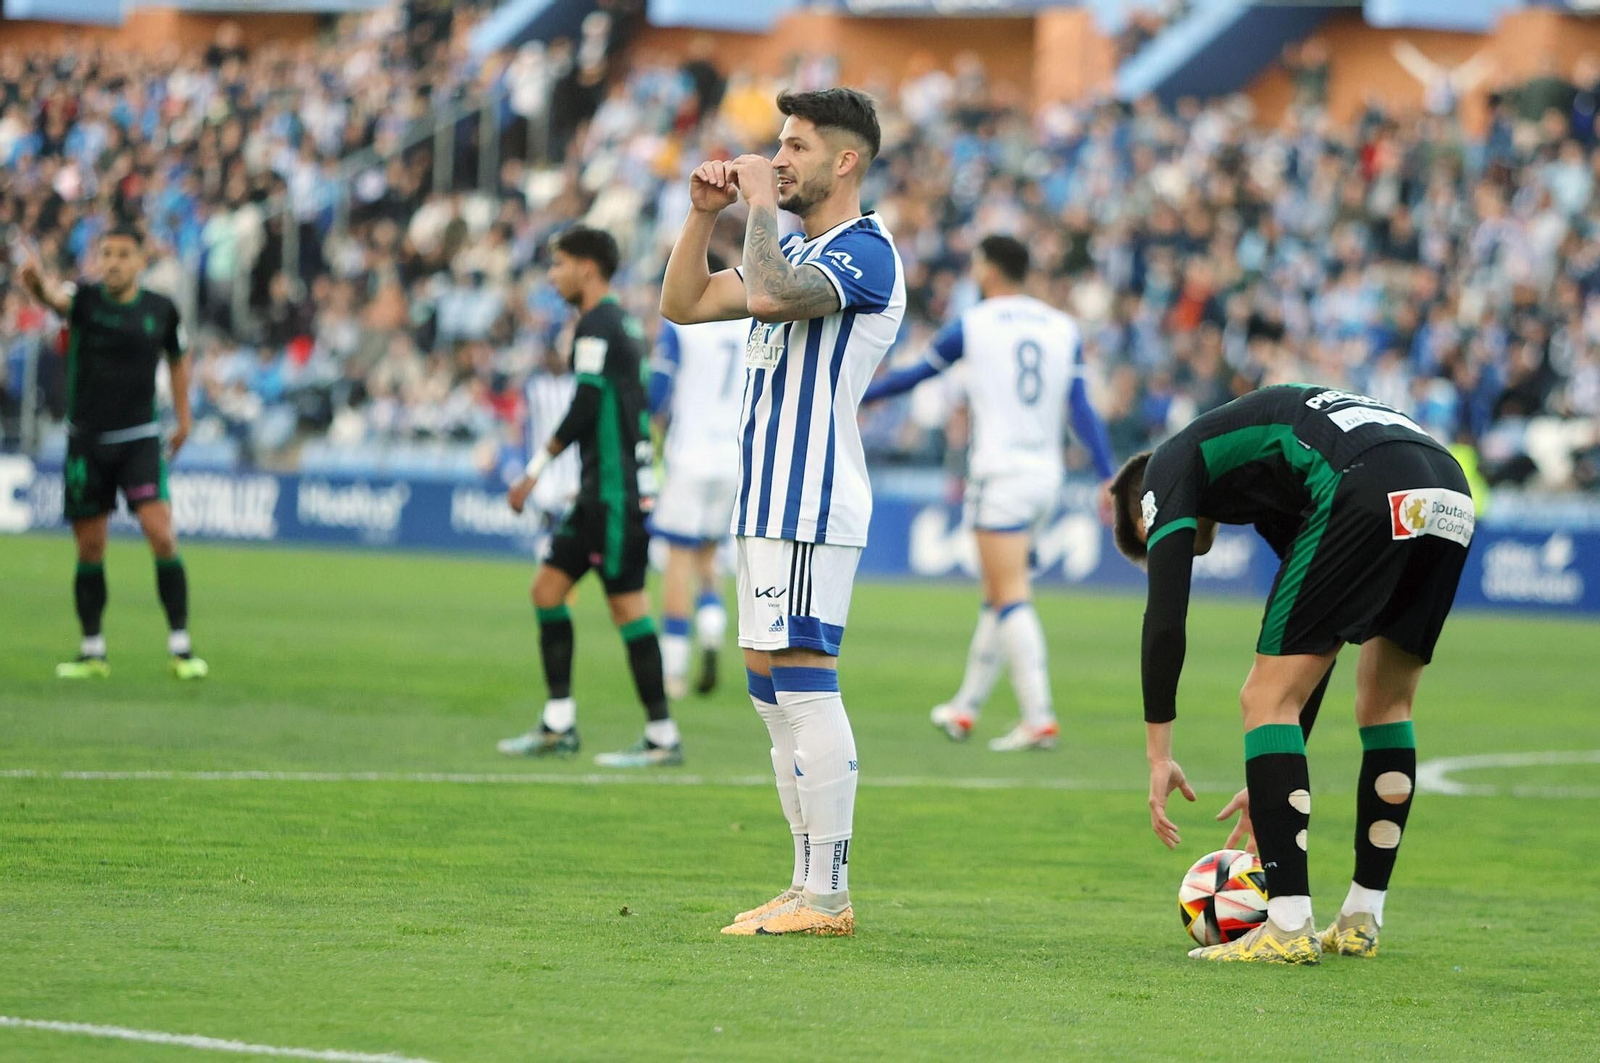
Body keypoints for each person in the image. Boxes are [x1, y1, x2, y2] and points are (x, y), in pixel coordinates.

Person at [1110, 384, 1476, 964]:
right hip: (1447, 489)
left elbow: (1164, 618)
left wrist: (1160, 755)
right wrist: (1271, 771)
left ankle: (1285, 926)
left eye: (1149, 538)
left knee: (1261, 697)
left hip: (1368, 477)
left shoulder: (1168, 464)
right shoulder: (1264, 489)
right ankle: (1361, 916)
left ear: (1142, 509)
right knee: (1386, 706)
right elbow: (1315, 644)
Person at [661, 88, 904, 937]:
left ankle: (831, 893)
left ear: (845, 162)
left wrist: (759, 200)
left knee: (805, 684)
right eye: (778, 143)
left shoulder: (865, 252)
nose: (780, 156)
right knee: (771, 696)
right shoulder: (795, 244)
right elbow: (684, 305)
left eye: (796, 145)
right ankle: (804, 885)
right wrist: (701, 219)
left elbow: (769, 294)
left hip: (811, 498)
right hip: (763, 501)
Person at [861, 234, 1116, 751]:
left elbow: (916, 375)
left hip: (999, 474)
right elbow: (1081, 408)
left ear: (990, 270)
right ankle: (966, 708)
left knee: (1010, 596)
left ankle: (1039, 716)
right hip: (1046, 478)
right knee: (997, 595)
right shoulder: (1061, 326)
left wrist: (857, 394)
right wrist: (1108, 472)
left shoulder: (975, 325)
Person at [497, 226, 681, 768]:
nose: (552, 276)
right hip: (600, 490)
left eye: (558, 265)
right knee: (547, 590)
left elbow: (585, 403)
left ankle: (663, 735)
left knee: (628, 609)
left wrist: (534, 471)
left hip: (615, 495)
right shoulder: (620, 322)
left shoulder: (597, 324)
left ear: (587, 267)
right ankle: (558, 724)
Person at [16, 225, 207, 680]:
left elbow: (179, 360)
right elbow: (54, 298)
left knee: (160, 534)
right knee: (91, 546)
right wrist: (38, 285)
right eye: (107, 254)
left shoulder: (161, 310)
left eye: (124, 254)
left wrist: (184, 418)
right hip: (87, 442)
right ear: (98, 261)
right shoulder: (85, 301)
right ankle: (92, 651)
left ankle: (181, 649)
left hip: (140, 439)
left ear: (142, 261)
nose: (115, 262)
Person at [648, 250, 747, 699]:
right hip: (733, 456)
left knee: (678, 561)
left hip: (690, 455)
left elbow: (658, 395)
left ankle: (673, 670)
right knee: (709, 559)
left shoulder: (681, 324)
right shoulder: (751, 322)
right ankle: (711, 630)